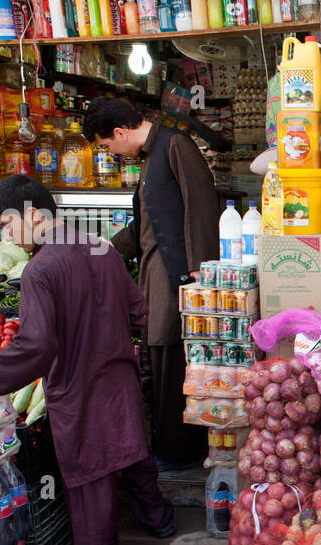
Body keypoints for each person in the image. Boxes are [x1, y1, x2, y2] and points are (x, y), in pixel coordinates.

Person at [0, 175, 175, 545]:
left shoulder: (41, 270)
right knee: (134, 452)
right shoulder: (100, 247)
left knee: (91, 486)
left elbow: (35, 345)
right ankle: (160, 522)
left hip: (80, 388)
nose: (7, 235)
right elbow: (138, 310)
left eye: (8, 224)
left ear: (32, 215)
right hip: (118, 375)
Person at [83, 97, 219, 471]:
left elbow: (202, 206)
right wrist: (101, 250)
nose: (111, 152)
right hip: (155, 270)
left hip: (177, 272)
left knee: (170, 354)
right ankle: (169, 448)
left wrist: (199, 270)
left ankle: (180, 453)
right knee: (160, 354)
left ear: (120, 132)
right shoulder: (148, 156)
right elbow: (143, 224)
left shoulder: (175, 145)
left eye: (107, 145)